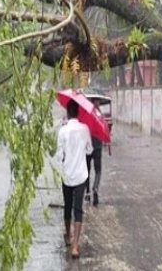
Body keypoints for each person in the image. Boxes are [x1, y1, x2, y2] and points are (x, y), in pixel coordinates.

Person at [56, 99, 93, 258]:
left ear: (67, 113)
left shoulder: (62, 131)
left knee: (67, 206)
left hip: (67, 175)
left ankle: (68, 236)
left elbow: (59, 156)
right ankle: (76, 245)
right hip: (81, 175)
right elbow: (90, 149)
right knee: (78, 209)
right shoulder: (85, 129)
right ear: (78, 113)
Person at [84, 98, 104, 206]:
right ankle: (95, 188)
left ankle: (87, 193)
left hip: (87, 147)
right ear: (97, 103)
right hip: (97, 147)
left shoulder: (86, 114)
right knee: (98, 170)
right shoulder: (100, 115)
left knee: (86, 171)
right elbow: (104, 131)